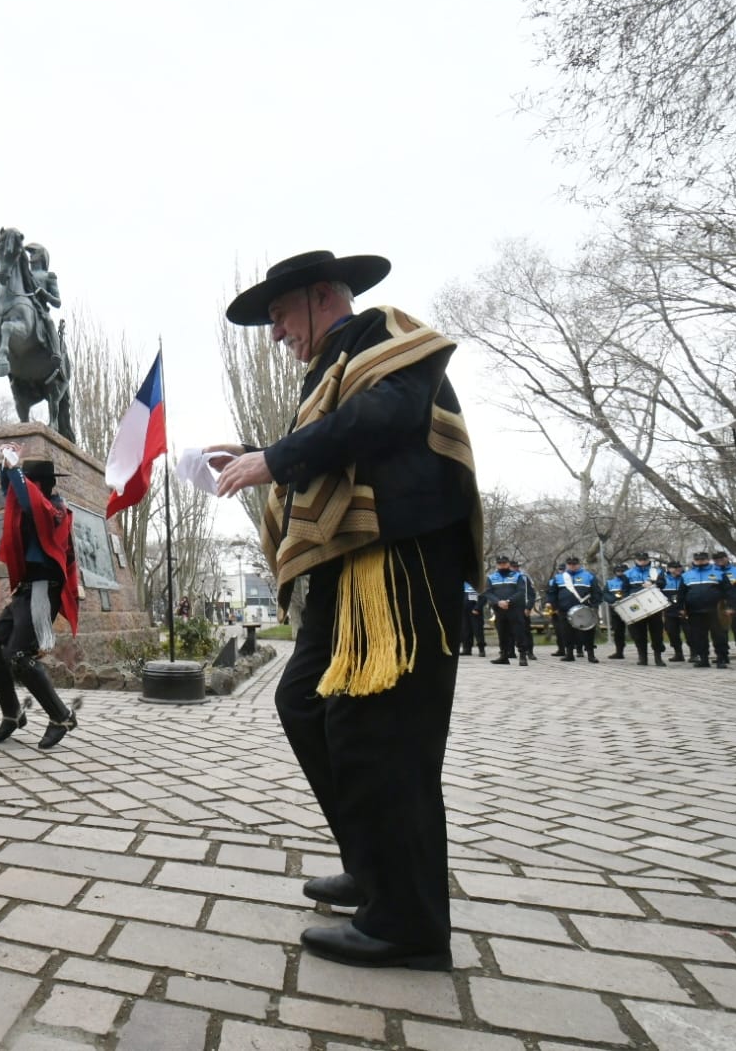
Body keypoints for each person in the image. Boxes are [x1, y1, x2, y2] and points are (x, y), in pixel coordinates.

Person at [211, 250, 482, 971]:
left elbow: (380, 420)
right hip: (345, 568)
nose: (275, 335)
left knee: (383, 738)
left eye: (278, 317)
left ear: (323, 296)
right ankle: (373, 868)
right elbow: (341, 444)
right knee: (305, 706)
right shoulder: (333, 368)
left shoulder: (386, 336)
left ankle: (407, 925)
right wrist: (261, 453)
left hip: (395, 562)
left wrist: (274, 459)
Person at [0, 448, 81, 750]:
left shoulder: (57, 510)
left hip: (43, 590)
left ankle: (62, 716)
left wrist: (16, 470)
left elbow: (29, 500)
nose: (21, 489)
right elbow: (14, 494)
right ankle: (12, 714)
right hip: (26, 589)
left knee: (20, 657)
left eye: (28, 482)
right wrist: (6, 466)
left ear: (41, 485)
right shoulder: (34, 504)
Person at [680, 550, 731, 668]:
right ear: (693, 561)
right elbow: (681, 594)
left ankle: (721, 659)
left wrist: (729, 607)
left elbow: (728, 591)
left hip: (715, 611)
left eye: (702, 559)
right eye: (697, 560)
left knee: (719, 636)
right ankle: (703, 659)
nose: (700, 562)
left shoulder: (718, 573)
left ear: (707, 560)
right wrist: (681, 608)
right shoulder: (686, 575)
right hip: (695, 611)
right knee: (699, 636)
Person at [622, 551, 668, 667]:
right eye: (640, 559)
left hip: (653, 605)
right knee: (638, 634)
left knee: (657, 633)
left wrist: (653, 583)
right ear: (636, 560)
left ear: (648, 560)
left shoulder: (656, 571)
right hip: (636, 607)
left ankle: (658, 657)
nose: (642, 561)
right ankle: (642, 657)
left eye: (644, 559)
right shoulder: (628, 573)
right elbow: (624, 590)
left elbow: (663, 583)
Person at [553, 555, 601, 663]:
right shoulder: (559, 577)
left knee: (587, 633)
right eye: (570, 564)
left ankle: (591, 654)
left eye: (574, 564)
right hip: (565, 609)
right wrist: (554, 606)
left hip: (584, 609)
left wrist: (595, 605)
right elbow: (552, 593)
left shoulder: (588, 576)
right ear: (567, 565)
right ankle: (569, 654)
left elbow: (596, 592)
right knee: (567, 633)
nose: (572, 566)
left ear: (579, 564)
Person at [485, 556, 530, 666]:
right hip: (499, 609)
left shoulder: (518, 576)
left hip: (514, 609)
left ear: (508, 564)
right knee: (502, 632)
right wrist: (498, 602)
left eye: (504, 563)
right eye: (500, 563)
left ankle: (523, 655)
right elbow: (488, 592)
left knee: (519, 632)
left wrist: (508, 601)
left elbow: (521, 592)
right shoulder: (491, 577)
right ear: (497, 565)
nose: (502, 565)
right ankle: (504, 656)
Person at [661, 560, 688, 661]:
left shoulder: (686, 577)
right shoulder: (663, 579)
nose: (677, 569)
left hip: (685, 610)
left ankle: (694, 653)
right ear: (669, 569)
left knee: (690, 633)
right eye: (674, 567)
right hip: (670, 610)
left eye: (678, 567)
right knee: (672, 632)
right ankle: (678, 653)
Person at [603, 564, 629, 659]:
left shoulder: (630, 581)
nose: (620, 573)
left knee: (636, 631)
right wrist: (613, 600)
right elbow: (605, 593)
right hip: (615, 609)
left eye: (622, 571)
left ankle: (641, 652)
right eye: (618, 571)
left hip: (630, 608)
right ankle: (619, 651)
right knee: (618, 631)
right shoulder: (610, 582)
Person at [545, 563, 569, 658]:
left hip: (566, 607)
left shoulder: (570, 579)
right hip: (556, 609)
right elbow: (550, 594)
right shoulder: (554, 580)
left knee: (569, 630)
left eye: (563, 569)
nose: (561, 571)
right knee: (558, 630)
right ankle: (561, 649)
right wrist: (551, 605)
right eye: (560, 569)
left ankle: (577, 649)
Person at [460, 581, 486, 655]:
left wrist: (477, 608)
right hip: (464, 610)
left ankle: (481, 649)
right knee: (465, 630)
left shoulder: (479, 583)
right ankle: (467, 649)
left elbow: (484, 597)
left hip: (475, 610)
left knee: (478, 630)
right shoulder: (463, 583)